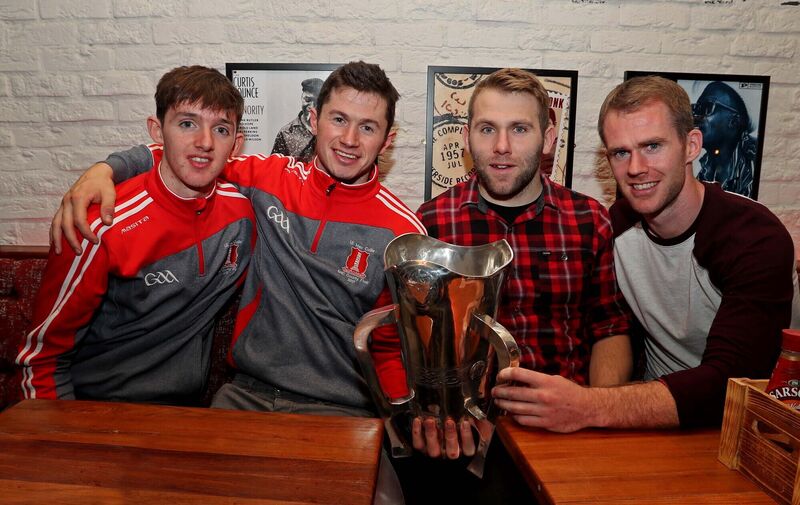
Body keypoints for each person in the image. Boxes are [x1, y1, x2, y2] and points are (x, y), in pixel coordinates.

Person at [50, 61, 422, 505]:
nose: (349, 139)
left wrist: (410, 418)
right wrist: (107, 168)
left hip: (343, 411)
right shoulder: (269, 179)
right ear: (313, 120)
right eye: (339, 119)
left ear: (387, 140)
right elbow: (190, 154)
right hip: (247, 397)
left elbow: (390, 347)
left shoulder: (403, 233)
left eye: (368, 127)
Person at [492, 75, 796, 433]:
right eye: (621, 152)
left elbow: (733, 385)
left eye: (652, 146)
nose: (635, 168)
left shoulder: (753, 237)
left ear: (691, 145)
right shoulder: (614, 226)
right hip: (647, 423)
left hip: (737, 428)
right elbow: (603, 325)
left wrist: (588, 406)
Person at [405, 68, 632, 503]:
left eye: (520, 129)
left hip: (561, 433)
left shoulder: (588, 219)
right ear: (467, 137)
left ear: (548, 139)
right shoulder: (431, 222)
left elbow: (609, 326)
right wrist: (427, 414)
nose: (502, 147)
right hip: (459, 440)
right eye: (487, 129)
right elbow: (415, 343)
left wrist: (593, 413)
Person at [16, 66, 256, 405]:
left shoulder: (243, 216)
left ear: (236, 144)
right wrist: (63, 432)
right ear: (157, 131)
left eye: (220, 129)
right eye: (187, 124)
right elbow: (42, 359)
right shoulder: (99, 226)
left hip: (189, 409)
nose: (204, 142)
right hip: (100, 406)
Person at [694, 81, 756, 198]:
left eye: (707, 108)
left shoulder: (752, 163)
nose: (697, 117)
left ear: (734, 121)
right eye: (697, 109)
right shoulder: (706, 166)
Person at [271, 77, 323, 163]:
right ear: (301, 98)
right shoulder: (286, 133)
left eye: (316, 101)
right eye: (307, 100)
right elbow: (275, 167)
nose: (312, 106)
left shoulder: (329, 130)